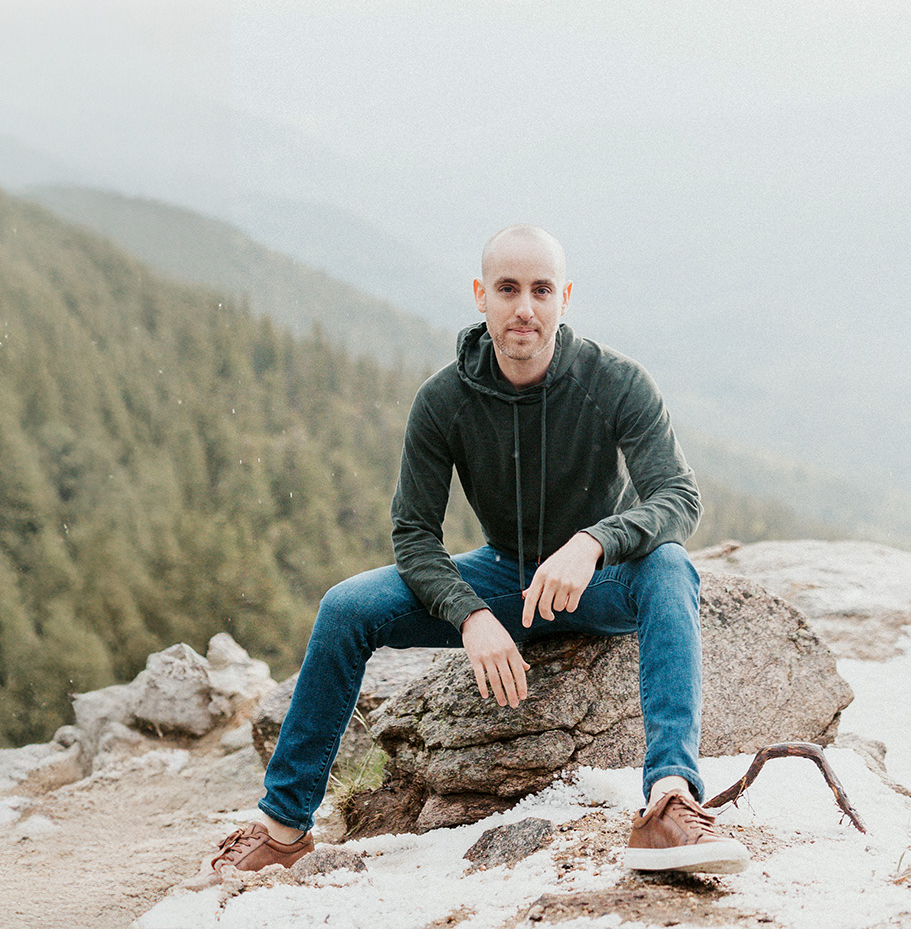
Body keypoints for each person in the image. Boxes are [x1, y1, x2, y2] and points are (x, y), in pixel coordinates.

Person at [190, 223, 747, 884]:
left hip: (600, 581)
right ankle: (284, 826)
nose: (525, 308)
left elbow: (678, 497)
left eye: (541, 290)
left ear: (565, 297)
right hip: (503, 576)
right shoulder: (444, 399)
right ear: (481, 296)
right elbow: (414, 535)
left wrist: (595, 542)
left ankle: (670, 801)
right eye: (507, 289)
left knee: (671, 566)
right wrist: (470, 614)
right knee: (346, 608)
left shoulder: (617, 382)